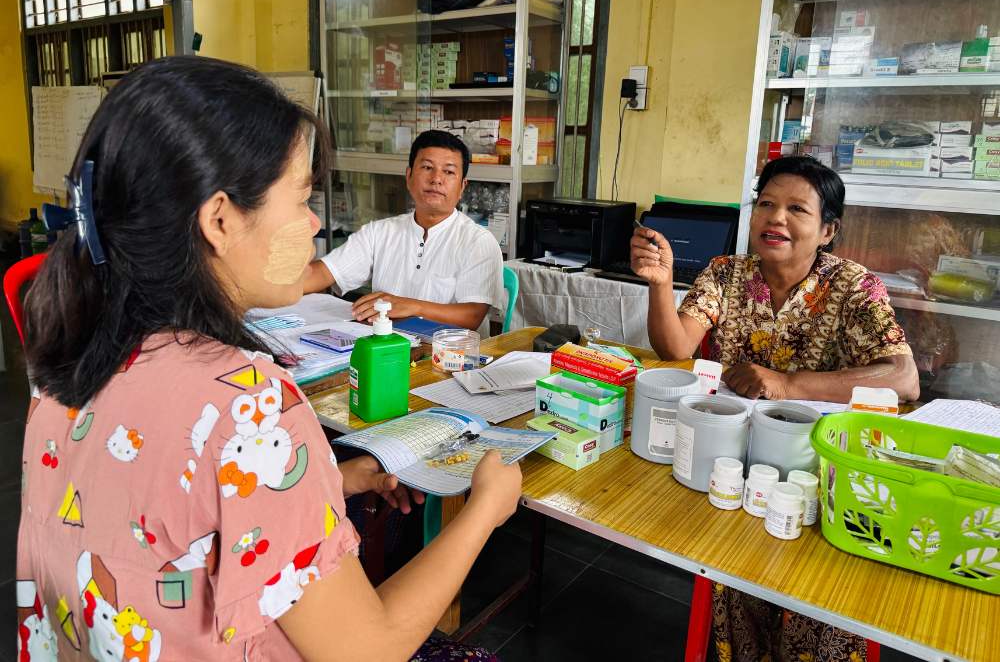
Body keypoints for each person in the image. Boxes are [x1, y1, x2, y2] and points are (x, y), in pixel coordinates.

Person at [18, 55, 521, 662]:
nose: (313, 222)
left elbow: (166, 510)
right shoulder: (250, 406)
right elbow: (369, 650)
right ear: (221, 219)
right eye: (302, 197)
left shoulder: (64, 362)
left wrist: (331, 478)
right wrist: (484, 511)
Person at [630, 155, 919, 662]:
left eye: (796, 209)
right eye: (766, 204)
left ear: (828, 230)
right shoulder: (726, 274)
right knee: (735, 586)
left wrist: (787, 382)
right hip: (731, 463)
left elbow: (903, 378)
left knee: (815, 603)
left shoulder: (853, 286)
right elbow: (677, 349)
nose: (776, 218)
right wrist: (660, 282)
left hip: (814, 470)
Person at [304, 130, 505, 331]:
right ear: (408, 176)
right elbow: (322, 273)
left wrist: (411, 306)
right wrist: (276, 286)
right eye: (427, 167)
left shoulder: (478, 242)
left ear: (462, 187)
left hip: (450, 356)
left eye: (449, 171)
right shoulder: (380, 232)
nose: (436, 179)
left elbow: (472, 316)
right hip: (388, 348)